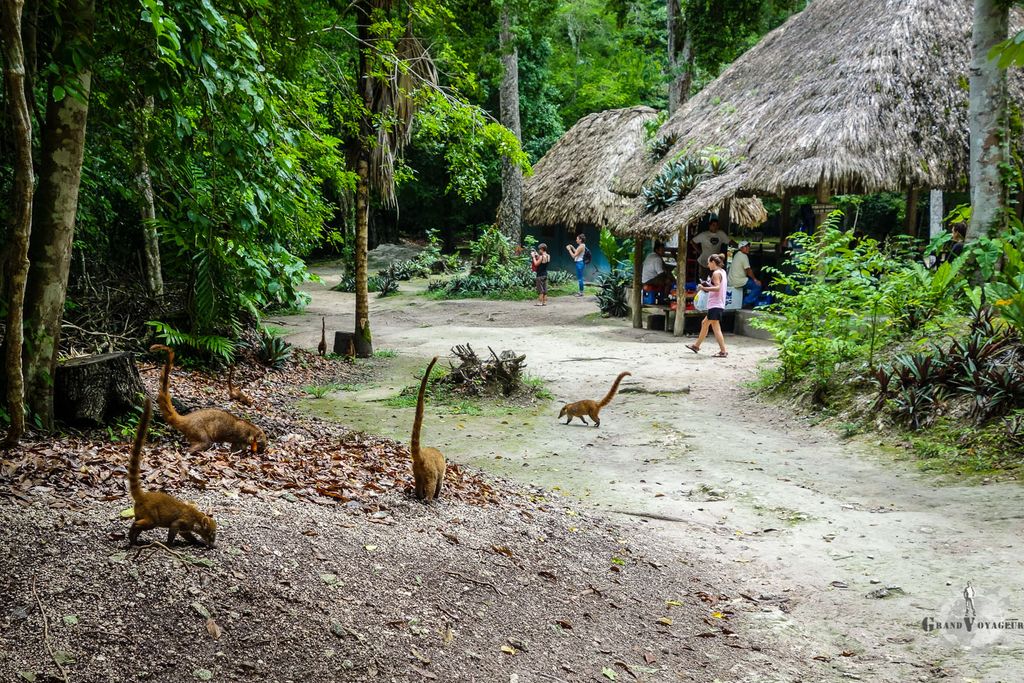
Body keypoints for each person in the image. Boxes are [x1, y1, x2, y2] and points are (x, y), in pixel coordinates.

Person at [686, 253, 728, 358]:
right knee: (705, 323)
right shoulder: (722, 272)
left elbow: (717, 288)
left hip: (715, 304)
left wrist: (704, 288)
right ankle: (696, 346)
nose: (708, 265)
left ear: (713, 262)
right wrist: (707, 285)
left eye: (709, 263)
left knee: (715, 328)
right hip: (718, 304)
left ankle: (723, 351)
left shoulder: (716, 274)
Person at [727, 241, 762, 308]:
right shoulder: (744, 256)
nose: (748, 248)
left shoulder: (737, 254)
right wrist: (755, 280)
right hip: (738, 281)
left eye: (748, 246)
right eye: (746, 247)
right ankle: (746, 303)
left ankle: (744, 301)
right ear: (741, 248)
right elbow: (748, 270)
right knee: (757, 286)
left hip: (731, 280)